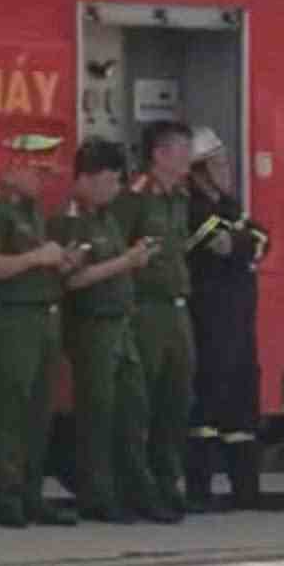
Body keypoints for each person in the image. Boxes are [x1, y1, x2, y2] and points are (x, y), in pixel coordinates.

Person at [52, 140, 174, 525]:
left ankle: (138, 491)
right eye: (109, 181)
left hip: (121, 324)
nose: (115, 189)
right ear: (86, 178)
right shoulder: (71, 220)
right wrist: (126, 262)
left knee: (133, 412)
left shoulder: (107, 218)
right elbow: (73, 280)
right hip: (93, 327)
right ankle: (98, 496)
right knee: (98, 415)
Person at [0, 134, 81, 529]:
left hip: (43, 317)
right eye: (38, 171)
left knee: (39, 412)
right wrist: (37, 257)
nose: (44, 180)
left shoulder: (31, 209)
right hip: (13, 320)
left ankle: (33, 494)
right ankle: (8, 496)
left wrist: (61, 261)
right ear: (15, 165)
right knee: (11, 410)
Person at [183, 126, 283, 512]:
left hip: (238, 318)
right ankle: (200, 490)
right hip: (210, 317)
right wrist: (246, 241)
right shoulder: (194, 209)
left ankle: (247, 489)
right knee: (208, 404)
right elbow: (225, 244)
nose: (227, 170)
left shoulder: (226, 205)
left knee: (242, 402)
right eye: (218, 164)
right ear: (198, 172)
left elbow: (262, 238)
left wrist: (244, 241)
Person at [112, 121, 200, 515]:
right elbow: (118, 252)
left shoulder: (179, 198)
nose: (188, 160)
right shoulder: (135, 197)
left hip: (177, 309)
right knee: (140, 403)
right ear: (159, 155)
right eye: (182, 151)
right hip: (145, 310)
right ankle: (137, 488)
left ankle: (169, 482)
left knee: (176, 400)